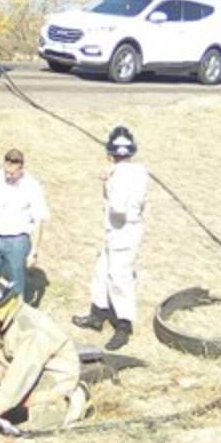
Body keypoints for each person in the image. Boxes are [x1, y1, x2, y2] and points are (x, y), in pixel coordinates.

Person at [0, 279, 90, 433]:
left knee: (20, 421)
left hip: (56, 381)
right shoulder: (13, 319)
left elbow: (18, 381)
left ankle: (75, 400)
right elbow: (5, 358)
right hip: (37, 375)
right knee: (1, 406)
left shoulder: (31, 333)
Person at [72, 126, 149, 351]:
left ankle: (124, 325)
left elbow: (118, 208)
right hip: (122, 229)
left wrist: (108, 185)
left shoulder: (118, 177)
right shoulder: (139, 171)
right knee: (101, 271)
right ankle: (98, 313)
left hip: (123, 229)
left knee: (119, 278)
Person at [0, 149, 48, 299]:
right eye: (6, 172)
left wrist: (34, 252)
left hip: (17, 242)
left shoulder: (31, 187)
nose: (8, 176)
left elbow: (39, 220)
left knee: (15, 286)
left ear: (21, 169)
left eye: (12, 173)